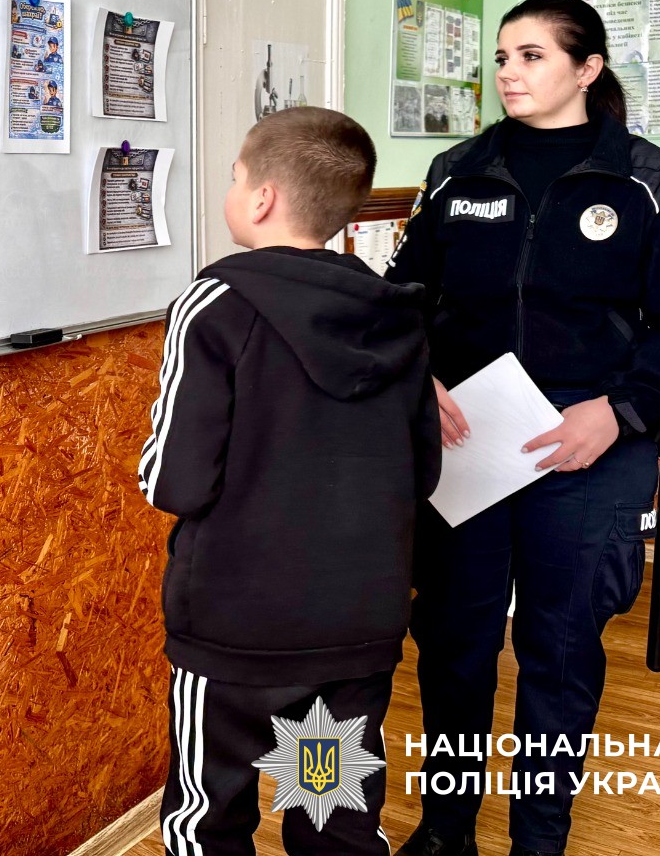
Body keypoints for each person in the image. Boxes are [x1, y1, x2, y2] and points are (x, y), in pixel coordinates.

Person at [387, 0, 660, 856]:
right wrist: (419, 375)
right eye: (502, 57)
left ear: (588, 69)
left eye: (532, 55)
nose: (509, 73)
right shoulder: (457, 173)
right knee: (455, 645)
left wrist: (619, 412)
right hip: (468, 445)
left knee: (561, 651)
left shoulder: (649, 181)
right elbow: (399, 300)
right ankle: (446, 829)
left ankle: (538, 840)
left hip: (589, 452)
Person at [139, 107, 442, 855]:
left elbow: (174, 481)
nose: (231, 191)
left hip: (236, 629)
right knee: (331, 814)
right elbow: (425, 469)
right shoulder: (393, 314)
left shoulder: (214, 305)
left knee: (208, 819)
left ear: (263, 198)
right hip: (353, 624)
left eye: (235, 177)